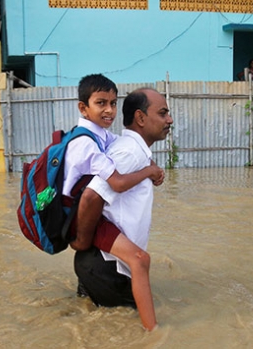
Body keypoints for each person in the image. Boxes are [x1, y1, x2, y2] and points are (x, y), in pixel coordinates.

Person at [74, 88, 173, 331]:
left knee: (91, 326)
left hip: (101, 262)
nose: (169, 120)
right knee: (133, 331)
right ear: (140, 118)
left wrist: (151, 168)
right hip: (107, 266)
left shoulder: (131, 148)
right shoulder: (129, 151)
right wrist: (83, 241)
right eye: (162, 113)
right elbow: (90, 197)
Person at [65, 74, 163, 253]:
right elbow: (117, 183)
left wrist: (153, 165)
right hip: (73, 214)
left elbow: (133, 144)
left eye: (113, 103)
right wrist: (149, 171)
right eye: (101, 103)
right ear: (83, 108)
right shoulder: (85, 143)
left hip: (82, 210)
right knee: (139, 259)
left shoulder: (101, 134)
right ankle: (81, 241)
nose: (109, 110)